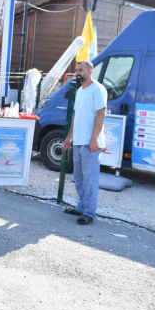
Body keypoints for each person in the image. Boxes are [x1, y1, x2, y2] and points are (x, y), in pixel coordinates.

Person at [63, 60, 108, 225]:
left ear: (90, 72)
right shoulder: (80, 90)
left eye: (80, 70)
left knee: (90, 179)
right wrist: (69, 137)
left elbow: (101, 114)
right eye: (76, 70)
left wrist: (94, 138)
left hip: (90, 143)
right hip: (78, 141)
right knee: (79, 178)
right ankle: (81, 207)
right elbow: (76, 116)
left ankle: (89, 212)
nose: (77, 73)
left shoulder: (98, 89)